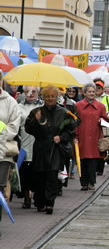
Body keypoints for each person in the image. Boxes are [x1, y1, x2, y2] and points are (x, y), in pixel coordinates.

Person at [25, 85, 76, 214]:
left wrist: (62, 137)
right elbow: (29, 129)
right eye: (47, 96)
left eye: (52, 96)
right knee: (39, 176)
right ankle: (40, 202)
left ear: (57, 97)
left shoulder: (64, 112)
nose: (50, 98)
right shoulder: (36, 112)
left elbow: (71, 130)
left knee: (52, 175)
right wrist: (35, 121)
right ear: (43, 97)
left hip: (55, 148)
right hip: (40, 148)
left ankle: (49, 202)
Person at [76, 83, 109, 189]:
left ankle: (92, 182)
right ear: (84, 93)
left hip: (95, 136)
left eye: (93, 91)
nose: (91, 93)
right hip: (82, 135)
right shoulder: (78, 105)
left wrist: (102, 120)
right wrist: (75, 135)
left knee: (93, 160)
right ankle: (83, 183)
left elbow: (106, 119)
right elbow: (74, 120)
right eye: (89, 91)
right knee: (82, 160)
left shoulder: (100, 106)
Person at [0, 69, 21, 227]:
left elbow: (14, 126)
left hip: (3, 153)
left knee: (0, 188)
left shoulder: (10, 102)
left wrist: (1, 131)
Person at [18, 86, 43, 208]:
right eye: (27, 91)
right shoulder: (19, 107)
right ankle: (26, 197)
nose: (30, 94)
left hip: (39, 144)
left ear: (38, 92)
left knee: (37, 173)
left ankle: (37, 196)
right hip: (24, 142)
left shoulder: (43, 107)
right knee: (25, 173)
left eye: (33, 91)